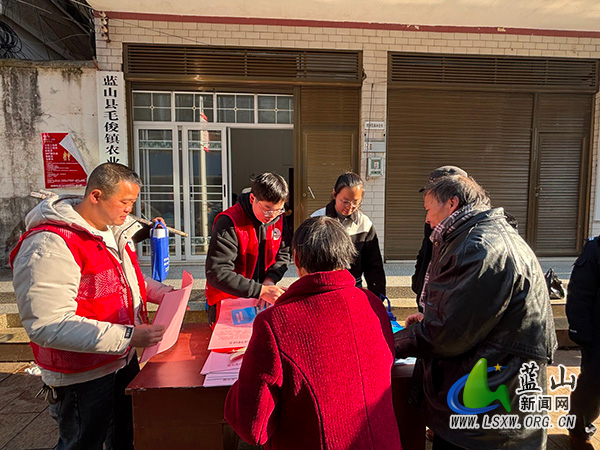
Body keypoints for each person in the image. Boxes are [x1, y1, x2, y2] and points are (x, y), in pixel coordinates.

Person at [10, 162, 172, 450]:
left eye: (133, 202)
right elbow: (47, 324)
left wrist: (165, 294)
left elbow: (127, 279)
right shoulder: (50, 244)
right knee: (83, 442)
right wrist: (129, 336)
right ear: (96, 196)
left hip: (120, 360)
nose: (129, 210)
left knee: (125, 436)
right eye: (124, 202)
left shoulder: (114, 230)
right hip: (82, 373)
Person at [394, 174, 557, 449]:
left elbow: (447, 334)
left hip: (485, 416)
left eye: (429, 209)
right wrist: (432, 317)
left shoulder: (477, 247)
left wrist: (389, 343)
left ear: (452, 203)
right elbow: (474, 315)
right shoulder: (482, 235)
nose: (427, 218)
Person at [224, 216, 402, 450]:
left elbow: (252, 428)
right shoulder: (372, 304)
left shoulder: (275, 323)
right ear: (347, 256)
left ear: (296, 259)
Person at [205, 172, 291, 324]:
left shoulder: (278, 218)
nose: (272, 215)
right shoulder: (229, 221)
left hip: (260, 300)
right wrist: (260, 290)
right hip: (229, 300)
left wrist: (270, 280)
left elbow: (284, 254)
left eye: (279, 209)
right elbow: (217, 273)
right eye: (267, 208)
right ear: (252, 199)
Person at [311, 172, 386, 298]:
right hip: (322, 287)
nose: (350, 207)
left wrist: (378, 296)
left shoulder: (364, 224)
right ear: (334, 194)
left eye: (356, 202)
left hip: (353, 288)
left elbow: (373, 265)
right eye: (345, 201)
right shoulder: (316, 220)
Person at [411, 166, 468, 311]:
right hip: (428, 298)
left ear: (451, 202)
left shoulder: (472, 236)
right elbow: (425, 253)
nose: (428, 219)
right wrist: (418, 282)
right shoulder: (435, 222)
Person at [566, 237, 600, 450]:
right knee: (593, 385)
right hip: (598, 336)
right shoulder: (596, 250)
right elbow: (579, 293)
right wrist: (580, 331)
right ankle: (579, 431)